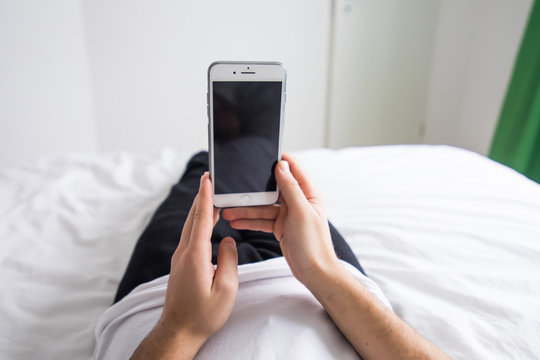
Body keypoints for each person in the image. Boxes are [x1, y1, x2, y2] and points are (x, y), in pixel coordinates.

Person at [93, 151, 450, 360]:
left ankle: (214, 149)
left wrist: (181, 327)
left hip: (163, 299)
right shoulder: (320, 271)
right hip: (318, 283)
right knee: (261, 160)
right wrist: (321, 270)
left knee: (202, 175)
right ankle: (246, 141)